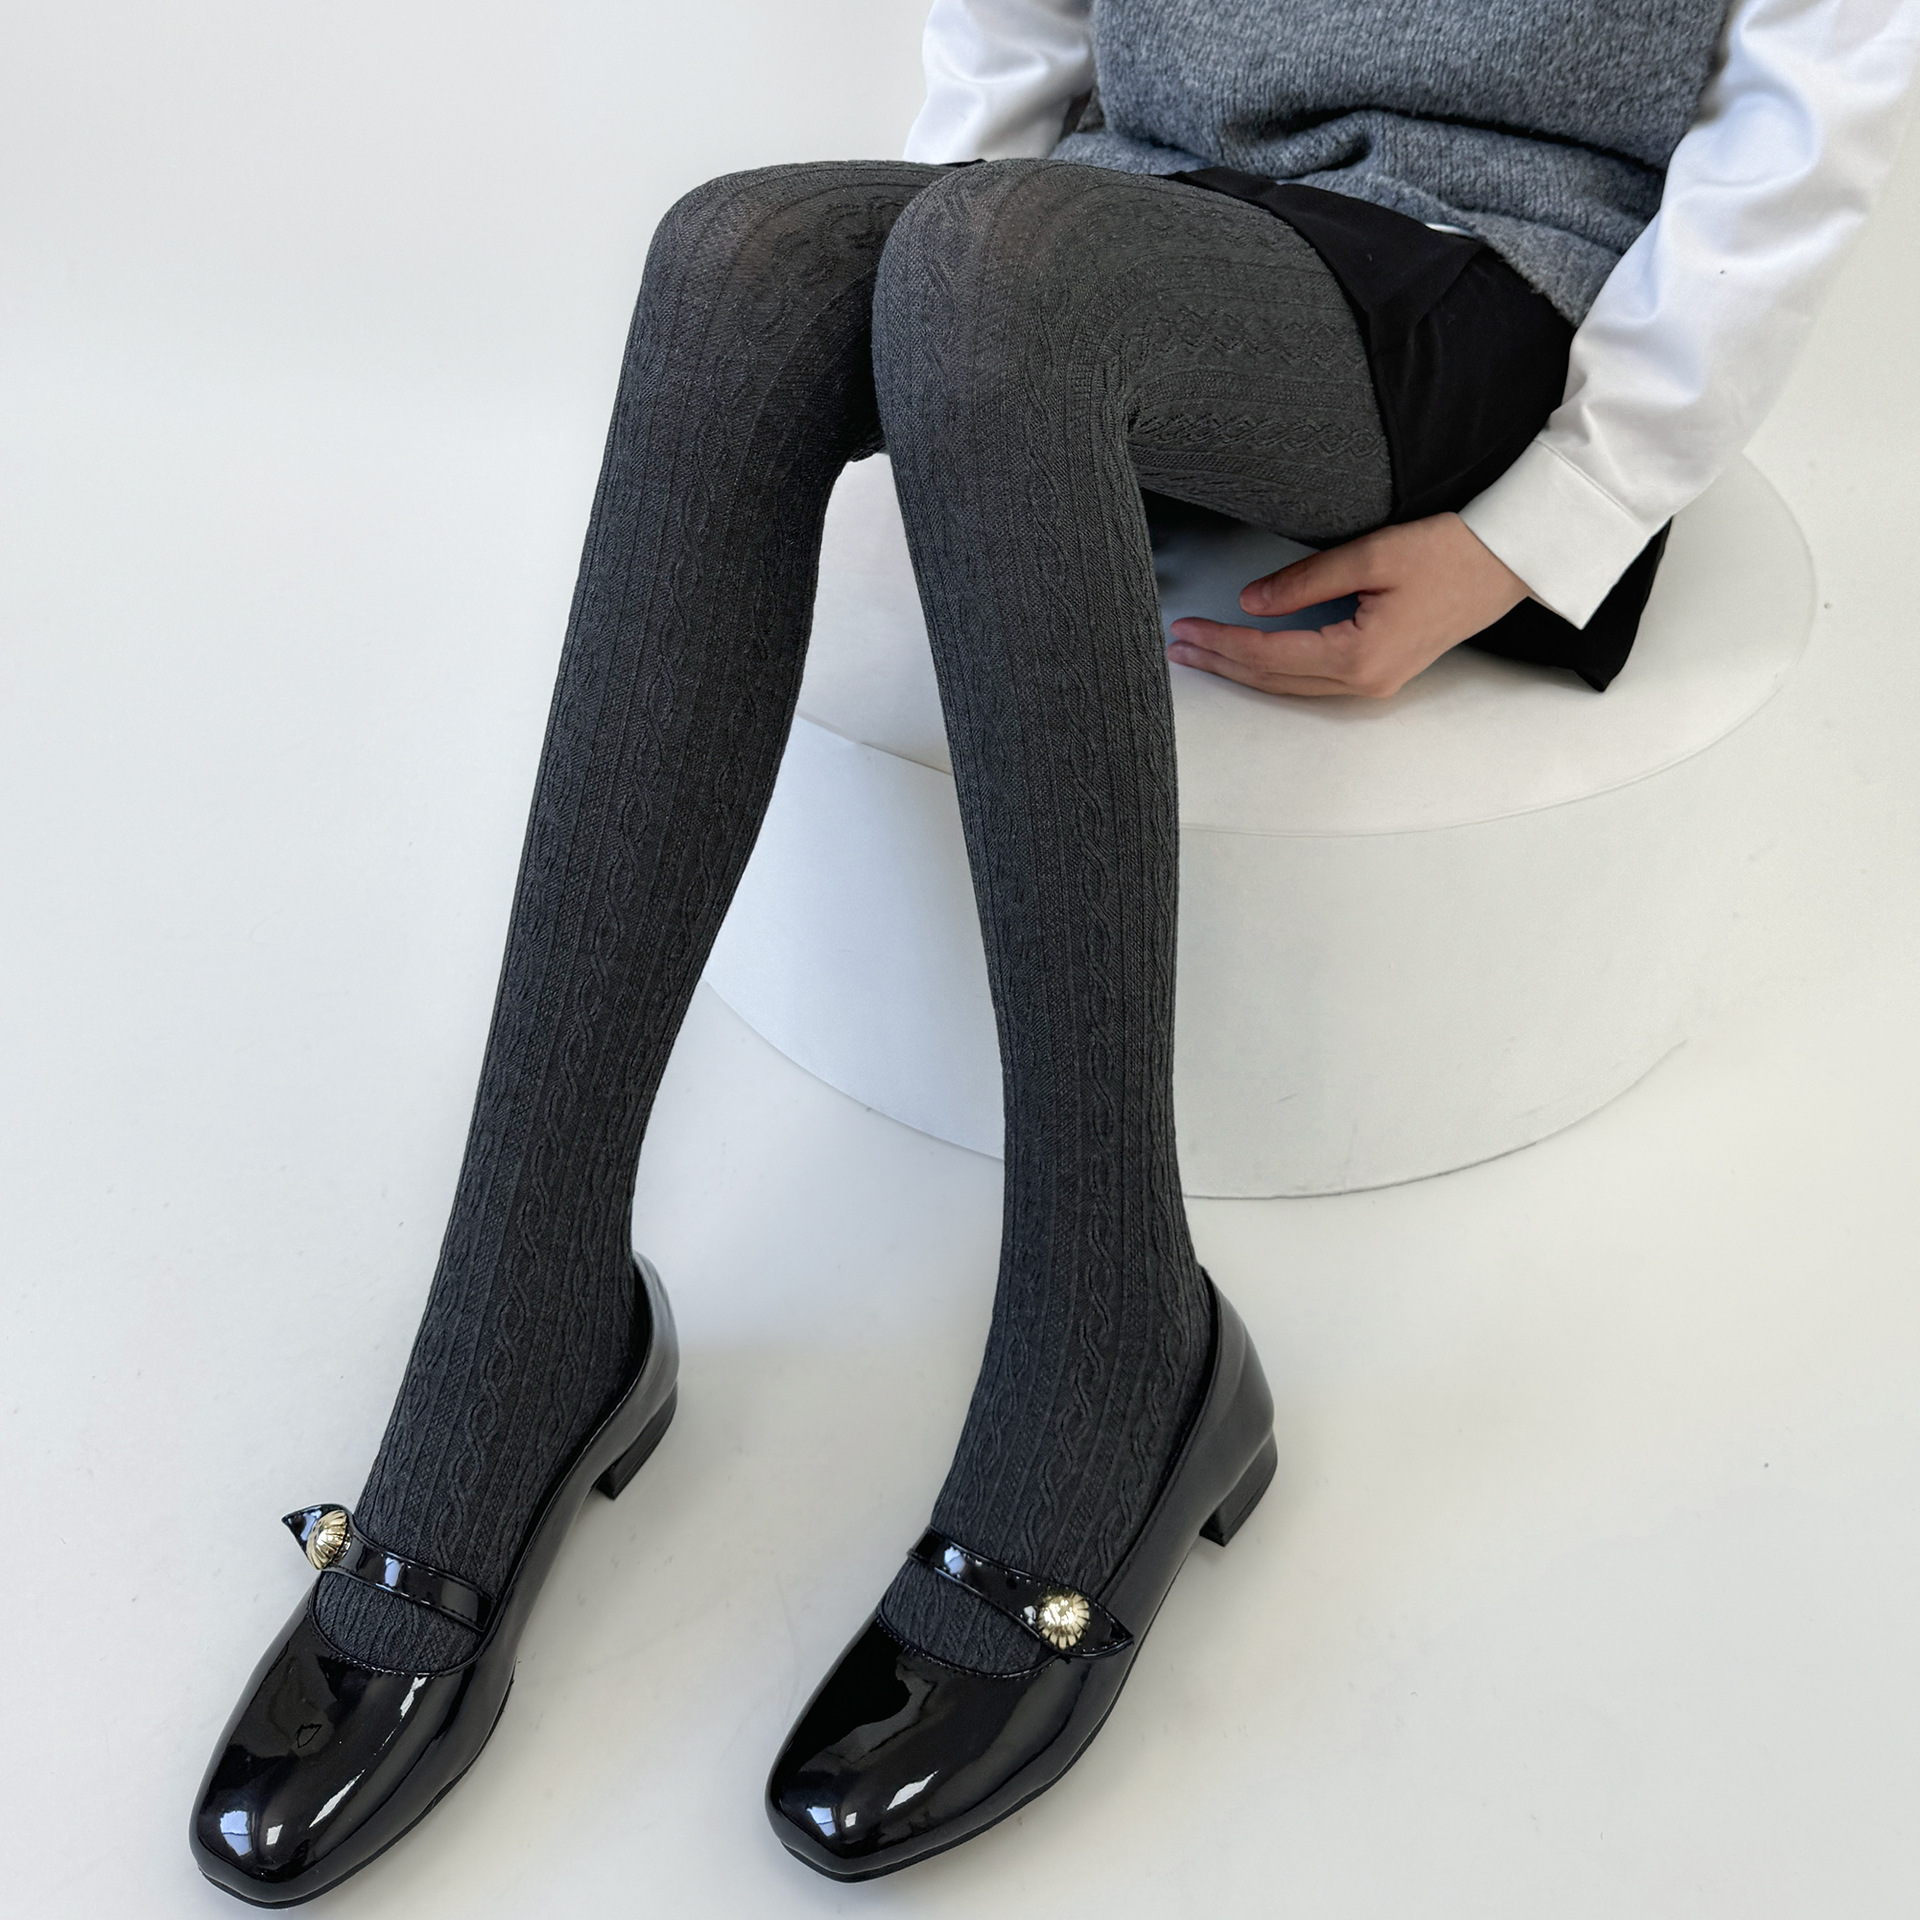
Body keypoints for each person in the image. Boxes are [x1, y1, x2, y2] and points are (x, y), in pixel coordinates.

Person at [190, 0, 1917, 1901]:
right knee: (736, 265)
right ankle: (524, 1326)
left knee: (1004, 272)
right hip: (1136, 229)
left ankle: (1117, 1345)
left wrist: (1558, 515)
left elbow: (1824, 72)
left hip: (1479, 271)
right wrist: (947, 370)